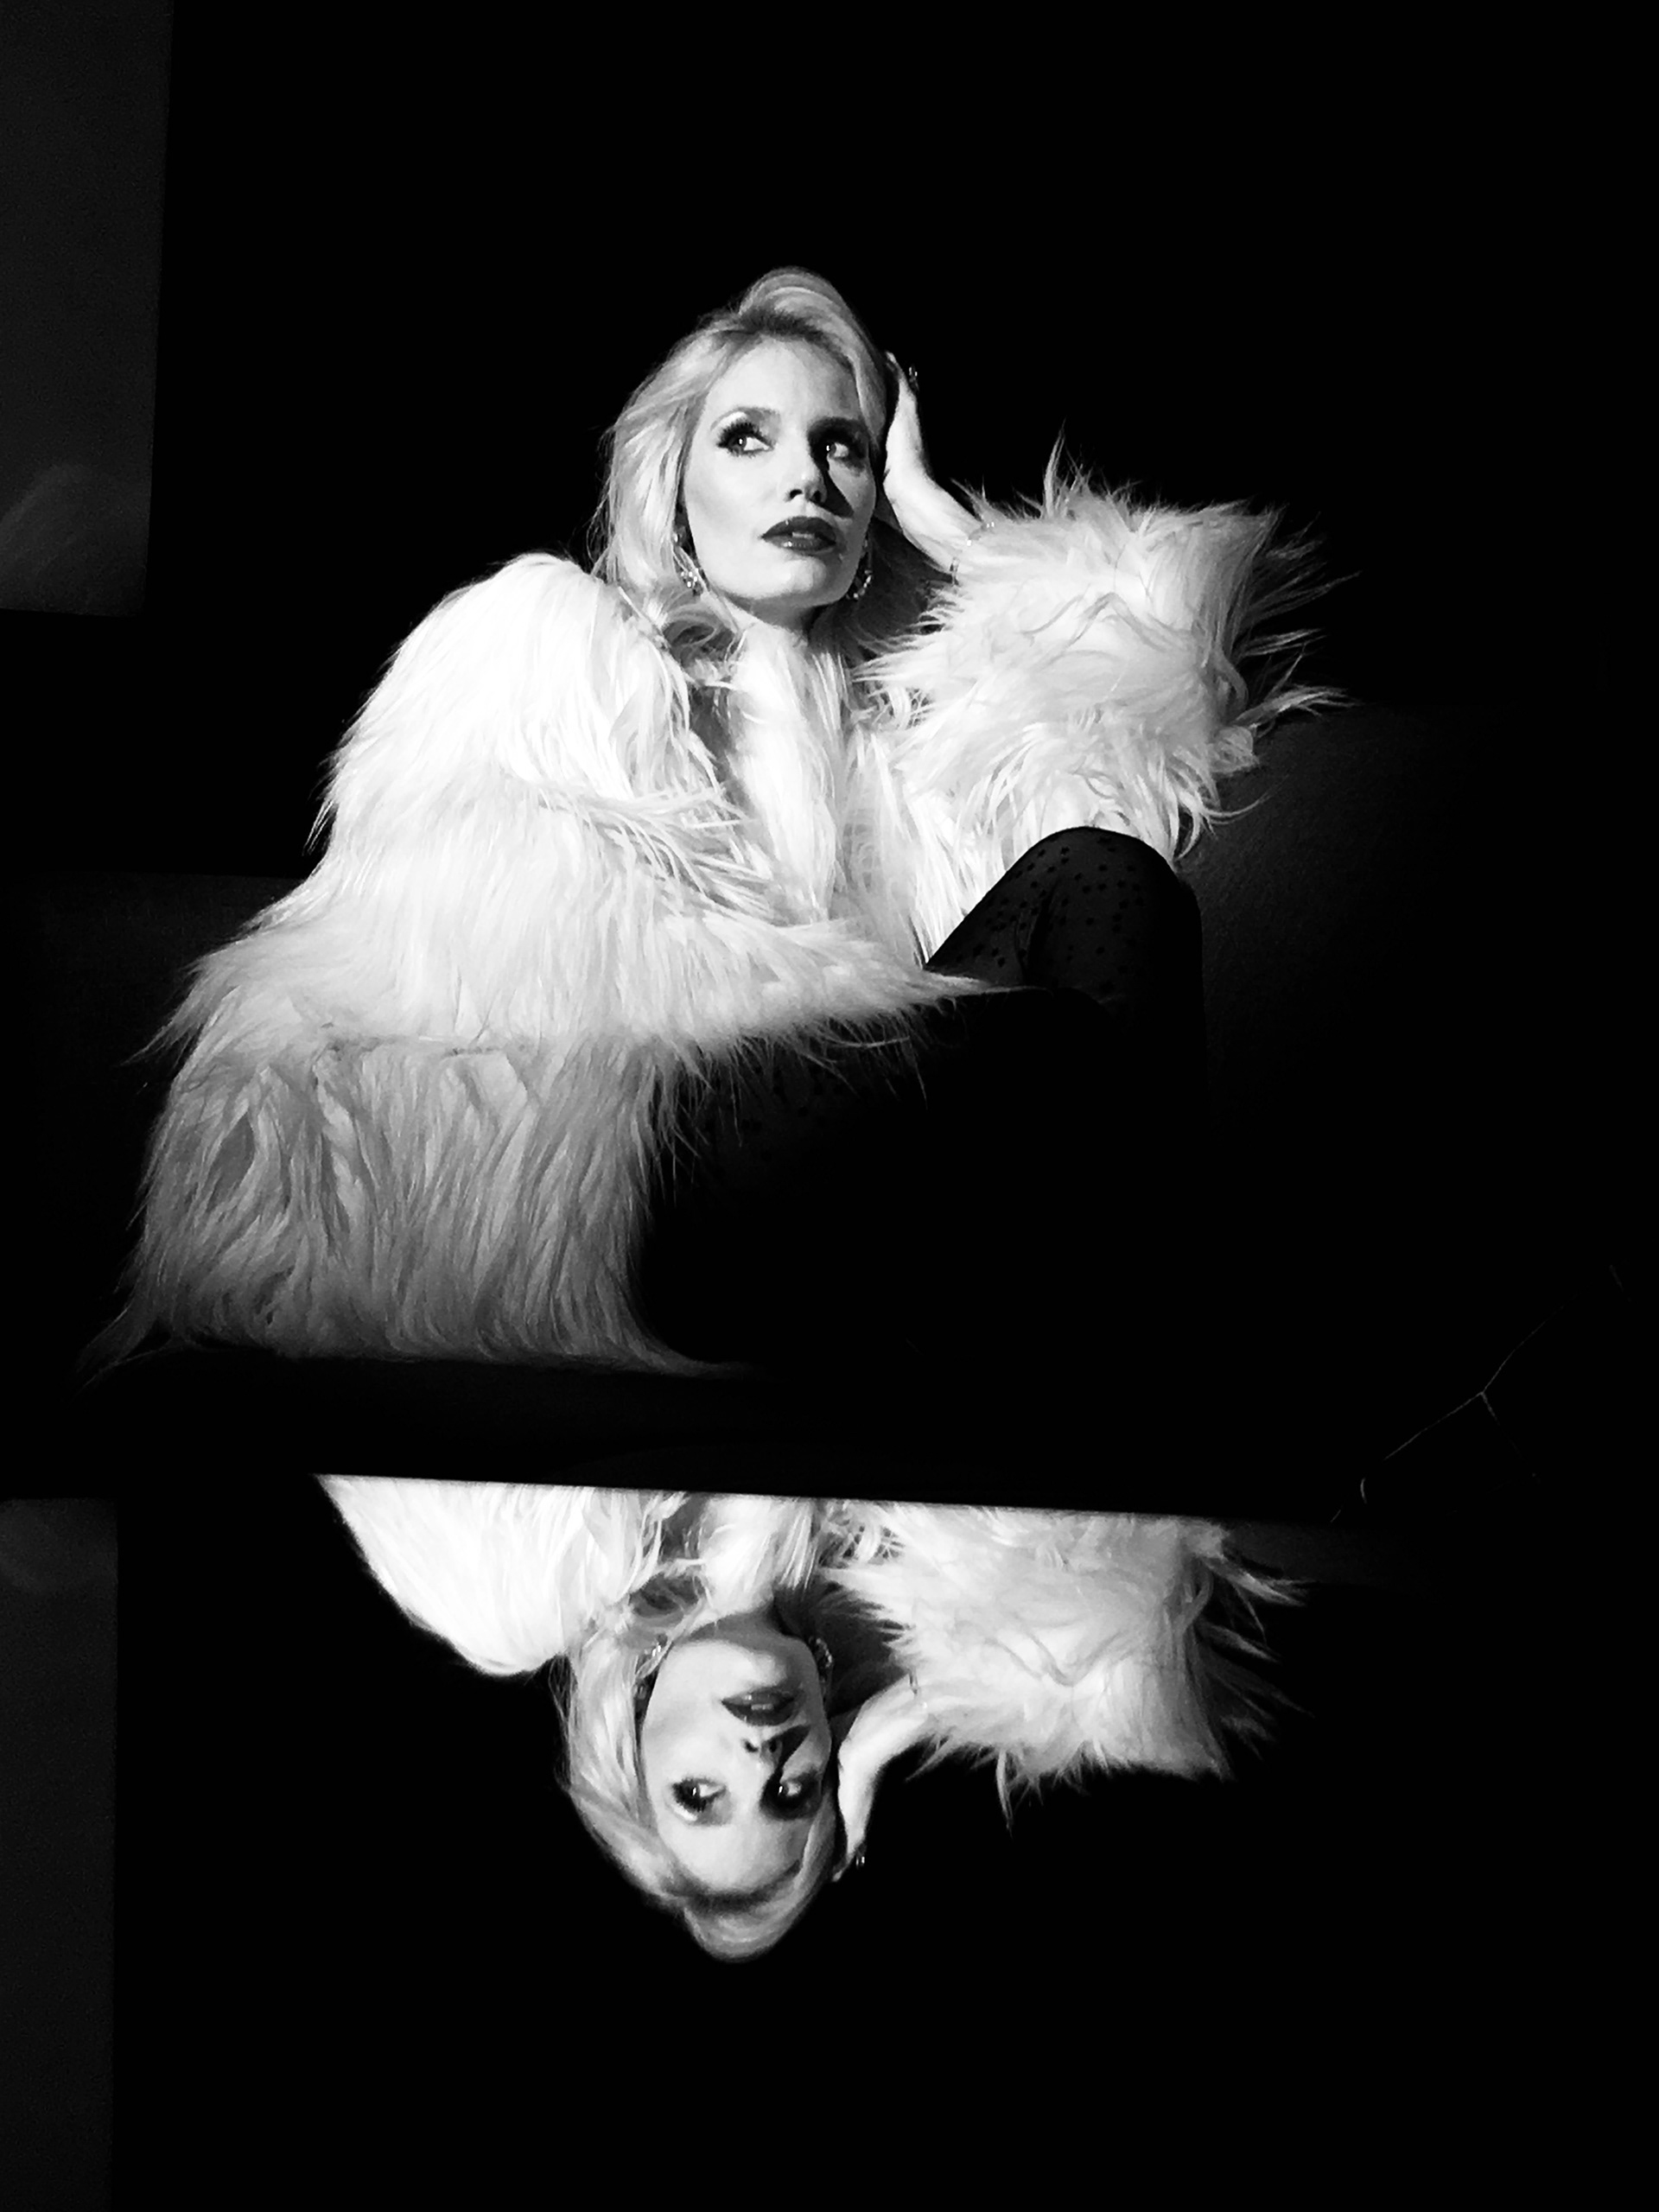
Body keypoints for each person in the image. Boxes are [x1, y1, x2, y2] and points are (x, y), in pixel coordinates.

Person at [77, 266, 1345, 1400]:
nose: (809, 477)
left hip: (849, 1152)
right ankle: (1139, 1376)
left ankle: (1087, 1403)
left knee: (1103, 879)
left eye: (845, 448)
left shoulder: (909, 752)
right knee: (1044, 1065)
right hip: (551, 1163)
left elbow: (1157, 681)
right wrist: (880, 1029)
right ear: (674, 489)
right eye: (749, 438)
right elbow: (532, 982)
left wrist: (942, 518)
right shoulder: (548, 646)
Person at [318, 1477, 1306, 1962]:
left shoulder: (532, 1580)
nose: (761, 1758)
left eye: (699, 1793)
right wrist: (904, 1716)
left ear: (631, 1737)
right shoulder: (898, 1567)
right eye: (791, 1792)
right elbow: (1145, 1635)